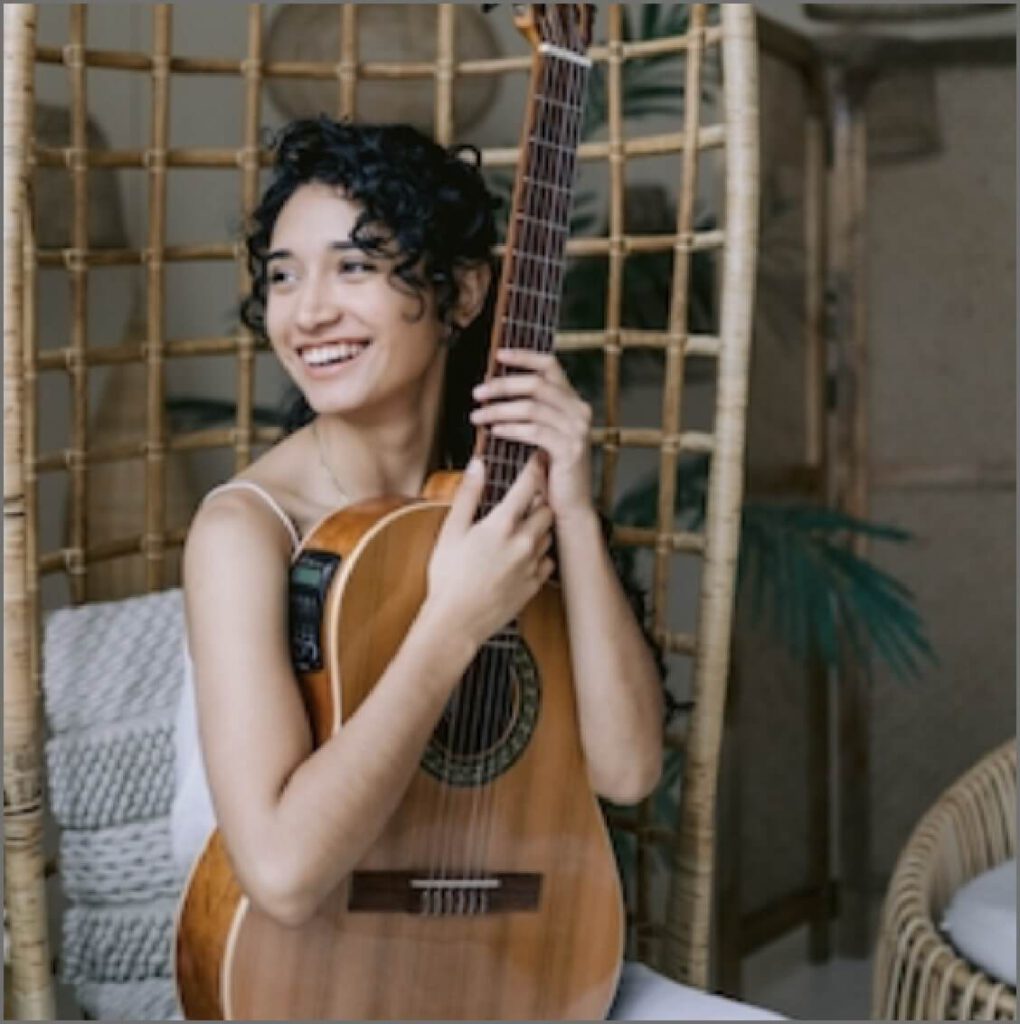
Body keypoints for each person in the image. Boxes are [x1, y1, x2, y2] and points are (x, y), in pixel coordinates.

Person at [171, 117, 780, 1022]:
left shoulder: (501, 503)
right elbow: (286, 876)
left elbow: (627, 770)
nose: (308, 312)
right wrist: (453, 622)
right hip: (304, 965)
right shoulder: (246, 531)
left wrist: (569, 504)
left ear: (461, 294)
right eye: (284, 275)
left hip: (519, 953)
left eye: (353, 265)